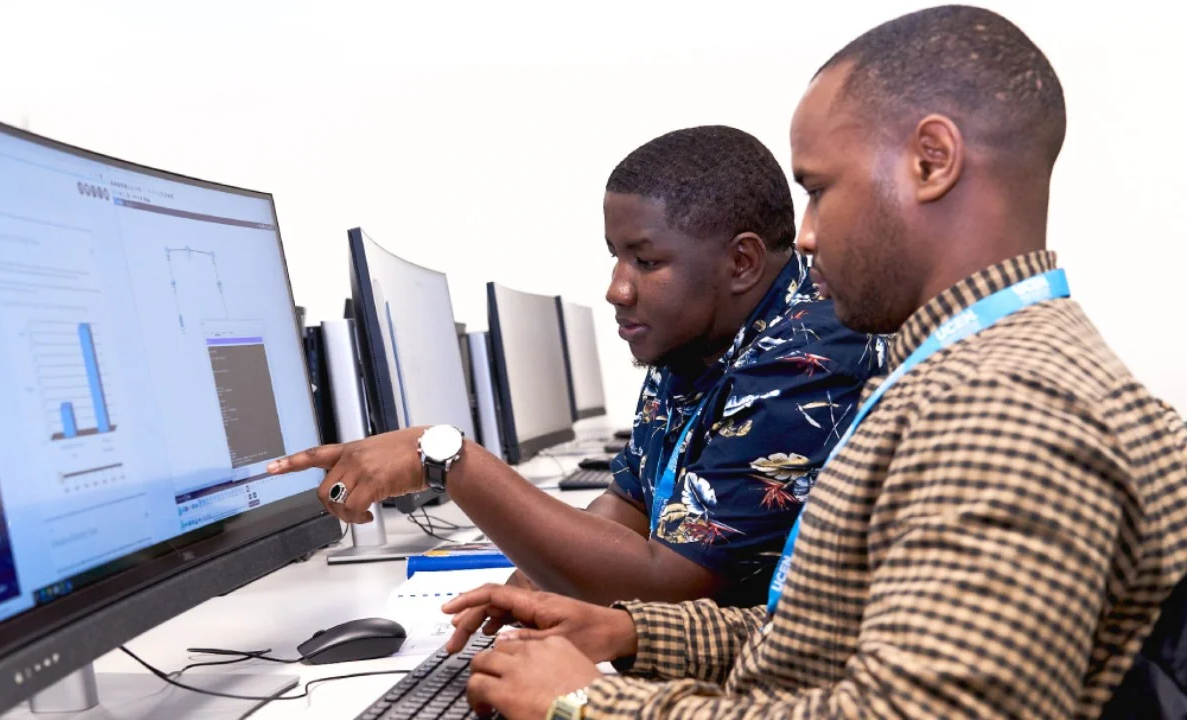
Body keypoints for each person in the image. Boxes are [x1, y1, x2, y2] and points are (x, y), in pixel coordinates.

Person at [440, 6, 1187, 720]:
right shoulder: (953, 371)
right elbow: (830, 641)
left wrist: (585, 704)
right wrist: (633, 633)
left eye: (819, 191)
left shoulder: (1001, 406)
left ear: (932, 162)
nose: (800, 236)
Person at [268, 126, 882, 607]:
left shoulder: (805, 355)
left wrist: (449, 460)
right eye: (616, 257)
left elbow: (673, 581)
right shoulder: (698, 338)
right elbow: (629, 502)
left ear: (742, 262)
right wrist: (531, 588)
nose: (617, 289)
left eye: (644, 261)